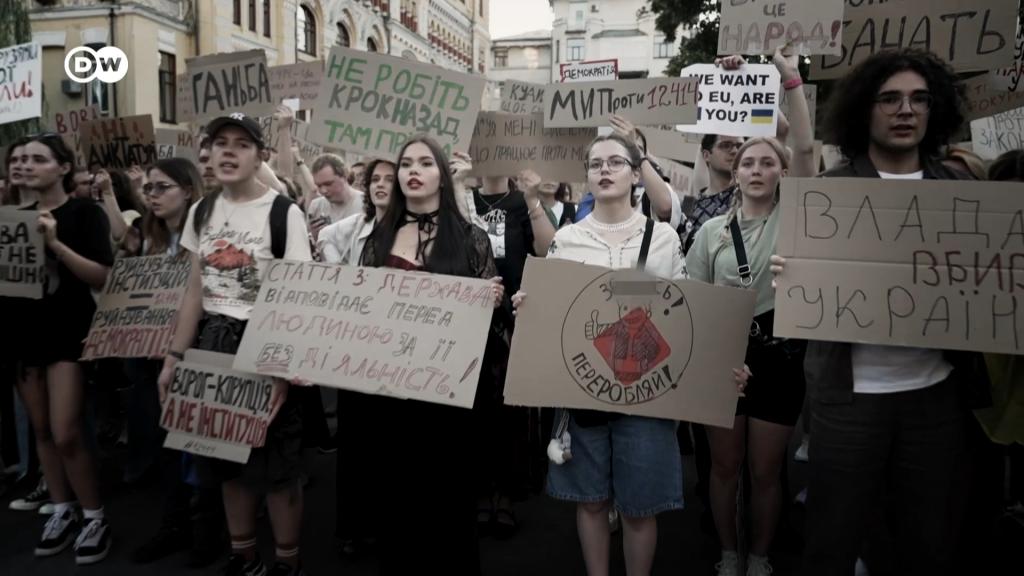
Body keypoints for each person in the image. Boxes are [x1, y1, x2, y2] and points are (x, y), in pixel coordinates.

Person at [769, 48, 992, 576]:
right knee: (833, 539)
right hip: (848, 402)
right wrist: (792, 273)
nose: (905, 110)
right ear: (863, 110)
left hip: (936, 399)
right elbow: (806, 282)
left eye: (919, 99)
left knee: (928, 541)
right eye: (889, 99)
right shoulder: (830, 194)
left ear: (935, 109)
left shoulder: (962, 192)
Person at [512, 132, 749, 576]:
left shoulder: (663, 239)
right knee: (592, 501)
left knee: (640, 508)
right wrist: (531, 306)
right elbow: (554, 316)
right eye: (596, 163)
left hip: (649, 393)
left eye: (616, 162)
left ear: (636, 174)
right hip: (583, 390)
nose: (604, 170)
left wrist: (721, 367)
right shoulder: (566, 240)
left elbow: (685, 316)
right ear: (586, 176)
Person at [158, 113, 312, 576]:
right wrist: (174, 356)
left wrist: (280, 368)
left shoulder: (284, 212)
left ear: (260, 156)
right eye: (220, 142)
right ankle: (244, 556)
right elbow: (194, 291)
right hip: (213, 344)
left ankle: (287, 561)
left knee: (278, 469)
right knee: (225, 460)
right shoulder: (201, 211)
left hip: (264, 342)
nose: (228, 151)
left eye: (241, 144)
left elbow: (296, 296)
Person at [687, 47, 815, 576]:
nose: (757, 169)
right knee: (723, 467)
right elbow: (694, 303)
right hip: (723, 358)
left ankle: (759, 557)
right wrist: (721, 360)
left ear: (783, 172)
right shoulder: (710, 232)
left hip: (779, 358)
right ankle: (728, 552)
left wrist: (788, 79)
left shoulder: (798, 217)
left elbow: (803, 145)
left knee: (765, 471)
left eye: (767, 162)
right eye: (747, 162)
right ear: (734, 173)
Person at [359, 135, 503, 576]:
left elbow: (487, 322)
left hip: (449, 398)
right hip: (391, 394)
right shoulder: (378, 240)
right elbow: (362, 312)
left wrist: (491, 300)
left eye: (424, 163)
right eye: (406, 164)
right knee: (398, 499)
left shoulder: (472, 239)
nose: (413, 171)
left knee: (450, 500)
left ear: (442, 174)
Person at [11, 133, 115, 564]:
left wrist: (54, 244)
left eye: (38, 159)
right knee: (40, 431)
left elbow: (102, 276)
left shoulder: (84, 212)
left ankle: (94, 516)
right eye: (19, 159)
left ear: (64, 167)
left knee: (66, 431)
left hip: (67, 332)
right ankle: (62, 508)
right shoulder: (10, 217)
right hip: (22, 333)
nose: (26, 165)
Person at [124, 159, 223, 568]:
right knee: (165, 443)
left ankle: (208, 530)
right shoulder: (147, 237)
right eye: (148, 188)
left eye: (162, 187)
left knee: (201, 448)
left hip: (197, 351)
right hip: (153, 357)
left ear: (188, 189)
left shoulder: (211, 234)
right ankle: (174, 522)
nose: (152, 195)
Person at [573, 115, 683, 230]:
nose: (605, 169)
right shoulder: (592, 199)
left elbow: (665, 207)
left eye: (636, 150)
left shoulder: (653, 195)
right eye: (596, 164)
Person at [318, 158, 394, 265]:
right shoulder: (359, 224)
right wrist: (338, 268)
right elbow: (325, 235)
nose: (380, 184)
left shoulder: (412, 229)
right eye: (375, 179)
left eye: (390, 180)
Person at [306, 154, 365, 241]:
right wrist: (314, 237)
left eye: (328, 184)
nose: (323, 191)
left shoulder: (366, 203)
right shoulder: (316, 206)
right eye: (319, 185)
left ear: (344, 176)